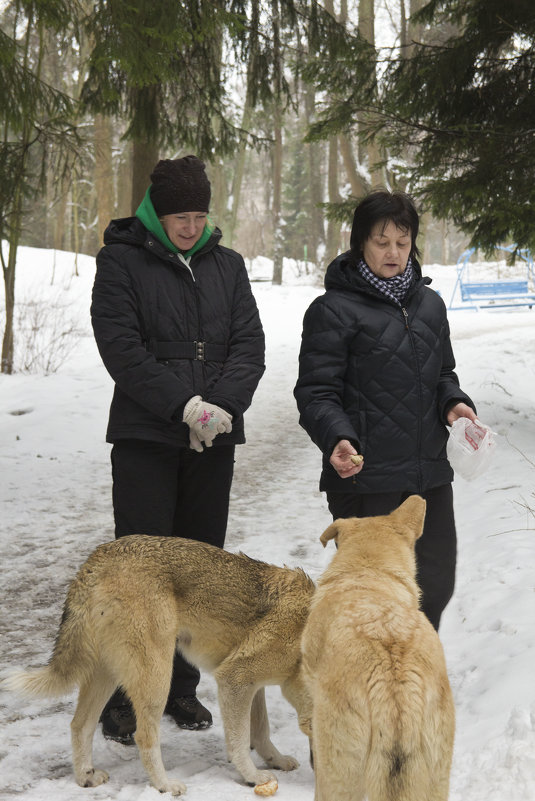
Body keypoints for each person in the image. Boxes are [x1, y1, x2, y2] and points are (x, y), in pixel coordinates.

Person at [91, 155, 265, 743]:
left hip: (213, 438)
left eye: (198, 214)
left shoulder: (229, 265)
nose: (190, 227)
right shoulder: (120, 261)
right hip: (146, 436)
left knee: (201, 566)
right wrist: (181, 407)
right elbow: (121, 348)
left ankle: (180, 691)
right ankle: (124, 696)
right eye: (177, 216)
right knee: (140, 571)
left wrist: (217, 409)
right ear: (154, 212)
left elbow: (249, 344)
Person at [294, 189, 479, 631]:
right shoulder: (332, 311)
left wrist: (454, 403)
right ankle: (369, 684)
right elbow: (315, 392)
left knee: (434, 584)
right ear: (361, 243)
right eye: (382, 241)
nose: (393, 252)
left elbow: (442, 374)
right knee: (375, 597)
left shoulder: (430, 305)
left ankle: (412, 675)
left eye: (402, 241)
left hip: (428, 476)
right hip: (365, 480)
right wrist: (338, 437)